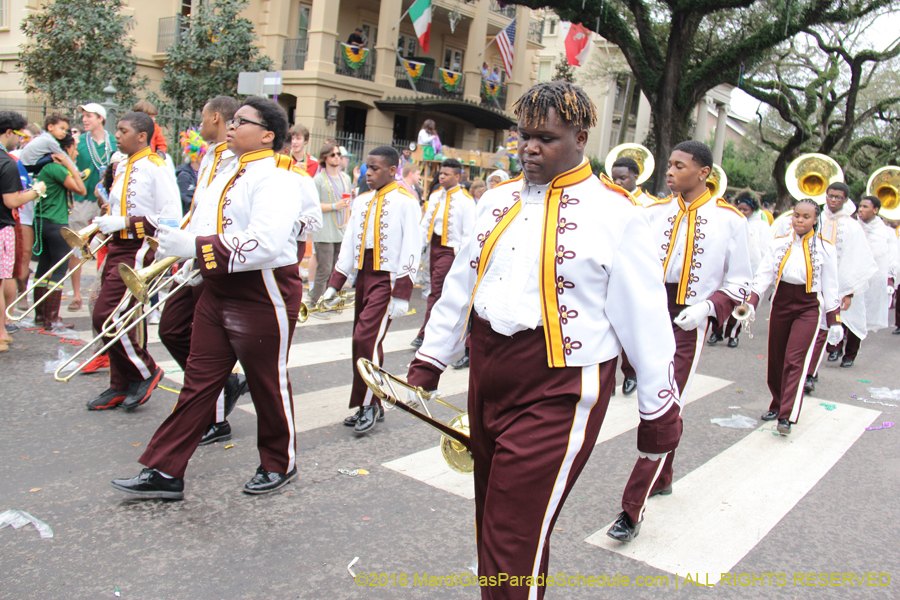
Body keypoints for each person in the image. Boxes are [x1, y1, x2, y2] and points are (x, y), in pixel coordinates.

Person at [404, 81, 678, 600]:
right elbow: (462, 283)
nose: (529, 148)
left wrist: (658, 409)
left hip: (562, 385)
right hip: (488, 372)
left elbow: (645, 317)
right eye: (524, 135)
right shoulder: (495, 199)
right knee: (498, 521)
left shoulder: (617, 212)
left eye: (545, 138)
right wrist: (430, 359)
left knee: (513, 532)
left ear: (580, 138)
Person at [112, 96, 310, 499]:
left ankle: (279, 462)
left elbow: (266, 243)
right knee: (198, 382)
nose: (231, 126)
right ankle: (165, 469)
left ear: (267, 135)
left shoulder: (279, 178)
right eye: (231, 120)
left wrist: (196, 247)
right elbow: (204, 223)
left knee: (267, 383)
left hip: (262, 291)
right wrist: (183, 255)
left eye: (242, 121)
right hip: (217, 286)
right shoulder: (226, 171)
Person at [609, 140, 752, 543]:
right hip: (648, 312)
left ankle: (632, 509)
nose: (669, 172)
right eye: (669, 164)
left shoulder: (730, 221)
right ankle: (664, 475)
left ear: (704, 172)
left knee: (665, 406)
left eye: (679, 165)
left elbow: (742, 280)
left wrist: (708, 307)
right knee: (661, 400)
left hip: (690, 320)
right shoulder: (651, 213)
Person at [156, 95, 251, 446]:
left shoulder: (236, 159)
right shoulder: (211, 155)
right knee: (171, 328)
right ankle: (225, 382)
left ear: (215, 118)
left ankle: (215, 419)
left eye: (202, 117)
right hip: (194, 256)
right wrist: (175, 244)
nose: (199, 124)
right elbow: (199, 211)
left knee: (203, 346)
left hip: (214, 259)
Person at [321, 146, 420, 435]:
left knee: (365, 339)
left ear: (392, 170)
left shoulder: (406, 202)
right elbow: (349, 243)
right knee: (362, 342)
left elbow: (412, 247)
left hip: (387, 279)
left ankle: (368, 405)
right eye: (367, 167)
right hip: (363, 276)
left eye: (375, 168)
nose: (368, 173)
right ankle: (373, 401)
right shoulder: (362, 200)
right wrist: (334, 284)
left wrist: (402, 292)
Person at [85, 111, 180, 411]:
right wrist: (101, 229)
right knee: (114, 316)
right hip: (118, 245)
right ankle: (120, 384)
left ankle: (145, 371)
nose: (117, 135)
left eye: (123, 130)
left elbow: (171, 217)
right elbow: (117, 209)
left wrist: (125, 223)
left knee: (108, 316)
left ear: (142, 136)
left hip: (139, 248)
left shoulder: (156, 167)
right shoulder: (124, 164)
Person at [749, 199, 840, 435]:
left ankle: (786, 415)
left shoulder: (826, 248)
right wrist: (752, 302)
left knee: (795, 359)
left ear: (815, 219)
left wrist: (834, 321)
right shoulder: (779, 243)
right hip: (781, 302)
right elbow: (764, 274)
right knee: (776, 358)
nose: (800, 220)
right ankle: (777, 404)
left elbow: (831, 286)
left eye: (806, 217)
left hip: (808, 306)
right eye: (797, 215)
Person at [806, 182, 876, 386]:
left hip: (837, 285)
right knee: (808, 328)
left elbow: (858, 260)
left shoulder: (852, 227)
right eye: (830, 196)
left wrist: (848, 292)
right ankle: (805, 369)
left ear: (845, 200)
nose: (833, 200)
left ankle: (810, 373)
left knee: (824, 328)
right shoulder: (814, 218)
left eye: (838, 197)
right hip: (812, 281)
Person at [410, 158, 474, 348]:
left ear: (457, 176)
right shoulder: (436, 195)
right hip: (433, 247)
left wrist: (461, 260)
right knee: (435, 289)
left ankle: (425, 334)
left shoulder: (466, 201)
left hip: (451, 251)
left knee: (436, 291)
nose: (442, 177)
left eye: (447, 174)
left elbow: (468, 234)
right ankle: (438, 331)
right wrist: (417, 247)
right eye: (441, 173)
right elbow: (425, 224)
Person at [831, 195, 899, 365]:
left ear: (875, 210)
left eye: (865, 207)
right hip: (850, 277)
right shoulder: (851, 227)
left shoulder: (887, 232)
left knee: (859, 317)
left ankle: (850, 355)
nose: (860, 210)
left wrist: (890, 280)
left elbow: (892, 258)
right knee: (841, 312)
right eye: (860, 206)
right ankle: (835, 347)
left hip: (871, 281)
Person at [0, 111, 47, 352]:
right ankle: (1, 332)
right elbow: (11, 200)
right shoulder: (6, 162)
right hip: (2, 227)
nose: (20, 141)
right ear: (9, 132)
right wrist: (36, 191)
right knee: (3, 279)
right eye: (19, 135)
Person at [31, 132, 87, 329]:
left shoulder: (47, 167)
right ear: (66, 149)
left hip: (42, 221)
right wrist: (70, 166)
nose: (76, 154)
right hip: (55, 222)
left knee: (44, 267)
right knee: (59, 269)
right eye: (74, 149)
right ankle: (52, 318)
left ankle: (41, 315)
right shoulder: (57, 168)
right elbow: (81, 189)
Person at [70, 103, 117, 312]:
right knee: (77, 246)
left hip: (106, 202)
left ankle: (102, 289)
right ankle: (76, 293)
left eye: (89, 116)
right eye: (84, 116)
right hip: (82, 198)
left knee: (106, 245)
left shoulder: (114, 142)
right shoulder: (79, 143)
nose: (84, 120)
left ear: (100, 118)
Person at [708, 190, 771, 347]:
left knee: (741, 302)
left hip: (749, 268)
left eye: (746, 210)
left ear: (753, 210)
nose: (742, 212)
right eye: (740, 208)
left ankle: (733, 334)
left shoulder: (761, 226)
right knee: (720, 299)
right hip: (726, 267)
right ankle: (716, 331)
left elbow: (765, 249)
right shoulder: (730, 220)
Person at [308, 141, 351, 306]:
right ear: (325, 157)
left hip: (340, 230)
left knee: (336, 269)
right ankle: (316, 303)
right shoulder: (318, 179)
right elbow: (313, 205)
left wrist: (347, 223)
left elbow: (348, 204)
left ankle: (329, 300)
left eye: (339, 154)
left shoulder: (346, 178)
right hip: (324, 231)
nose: (337, 157)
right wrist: (334, 206)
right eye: (333, 154)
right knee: (324, 269)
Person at [175, 129, 207, 215]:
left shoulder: (203, 172)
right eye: (203, 154)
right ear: (195, 156)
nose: (206, 157)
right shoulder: (184, 176)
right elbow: (188, 204)